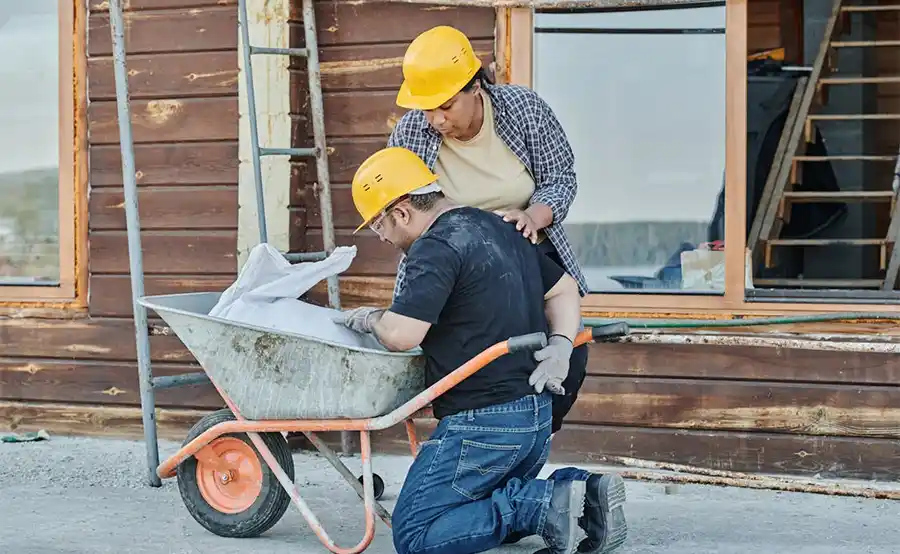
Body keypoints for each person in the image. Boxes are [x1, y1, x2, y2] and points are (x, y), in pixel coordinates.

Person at [332, 146, 627, 554]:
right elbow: (563, 289)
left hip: (484, 428)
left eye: (378, 225)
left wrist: (370, 319)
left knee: (416, 534)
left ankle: (541, 505)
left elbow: (402, 334)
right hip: (535, 423)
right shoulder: (501, 225)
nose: (381, 238)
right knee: (471, 510)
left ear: (401, 212)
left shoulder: (434, 247)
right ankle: (583, 493)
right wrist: (561, 344)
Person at [387, 25, 589, 439]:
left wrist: (535, 215)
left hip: (526, 252)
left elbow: (561, 178)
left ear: (475, 86)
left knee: (568, 357)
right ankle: (476, 448)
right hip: (455, 264)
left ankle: (529, 444)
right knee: (466, 367)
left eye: (446, 106)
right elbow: (401, 205)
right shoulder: (410, 133)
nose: (436, 119)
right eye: (426, 109)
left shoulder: (524, 110)